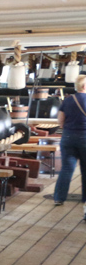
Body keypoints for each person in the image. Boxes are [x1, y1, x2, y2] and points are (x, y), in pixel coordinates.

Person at [53, 74, 86, 221]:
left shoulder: (67, 100)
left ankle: (59, 198)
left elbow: (60, 121)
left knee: (66, 169)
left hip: (67, 137)